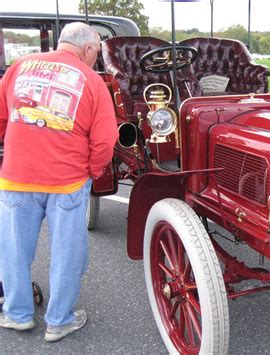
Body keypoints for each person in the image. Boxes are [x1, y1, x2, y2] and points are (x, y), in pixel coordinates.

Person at [0, 22, 118, 342]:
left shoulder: (20, 67)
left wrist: (14, 149)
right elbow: (106, 139)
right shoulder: (92, 81)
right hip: (66, 181)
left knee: (13, 250)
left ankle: (17, 314)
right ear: (88, 49)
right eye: (96, 52)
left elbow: (1, 117)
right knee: (67, 253)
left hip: (16, 178)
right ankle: (59, 321)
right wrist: (92, 171)